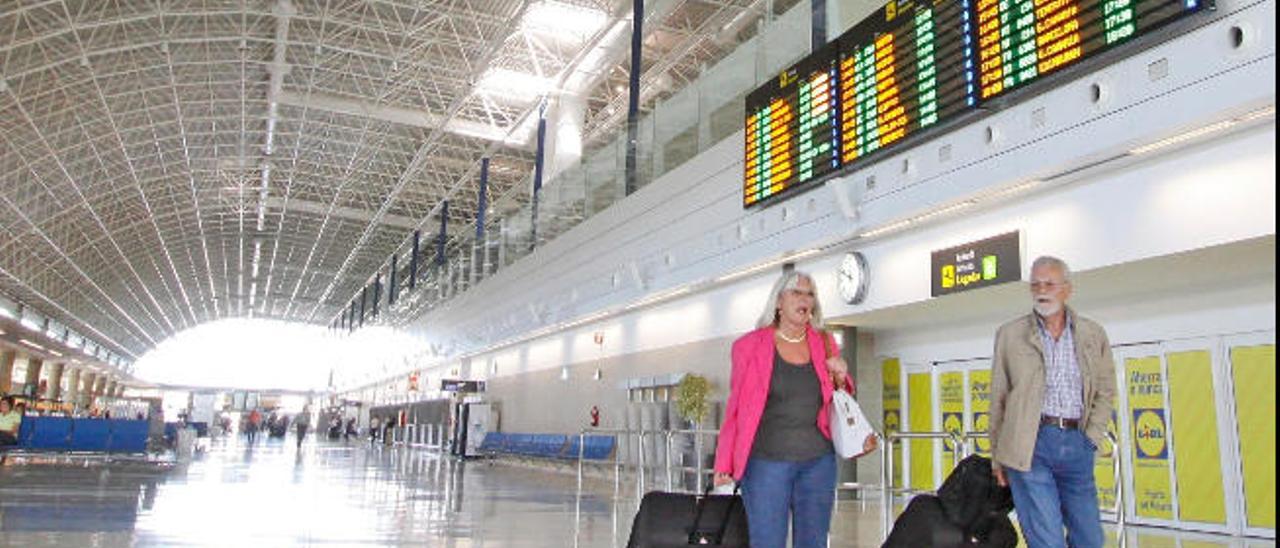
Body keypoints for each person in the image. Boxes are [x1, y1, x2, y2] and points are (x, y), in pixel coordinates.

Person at [712, 270, 877, 548]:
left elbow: (838, 398)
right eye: (796, 293)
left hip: (818, 462)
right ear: (778, 302)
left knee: (813, 543)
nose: (805, 300)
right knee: (767, 542)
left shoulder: (824, 342)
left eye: (810, 294)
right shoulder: (749, 346)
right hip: (765, 463)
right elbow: (735, 409)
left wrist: (840, 374)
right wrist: (724, 464)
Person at [990, 256, 1116, 548]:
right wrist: (997, 456)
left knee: (1091, 539)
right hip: (1029, 445)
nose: (1041, 291)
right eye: (1035, 285)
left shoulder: (1092, 334)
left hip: (1077, 444)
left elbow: (1105, 390)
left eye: (1049, 284)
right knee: (1047, 540)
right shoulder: (1010, 335)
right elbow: (998, 398)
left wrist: (1091, 438)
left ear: (1067, 289)